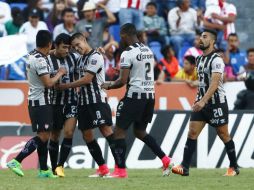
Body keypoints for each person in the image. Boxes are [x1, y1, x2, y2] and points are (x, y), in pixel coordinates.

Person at [101, 23, 172, 178]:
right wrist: (125, 72)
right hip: (149, 97)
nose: (121, 38)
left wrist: (108, 85)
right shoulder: (148, 50)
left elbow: (121, 81)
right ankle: (166, 160)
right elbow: (140, 71)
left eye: (121, 35)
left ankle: (120, 170)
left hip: (134, 97)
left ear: (125, 34)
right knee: (140, 132)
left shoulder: (127, 53)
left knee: (118, 132)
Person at [172, 29, 240, 176]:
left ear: (213, 41)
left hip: (216, 103)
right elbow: (203, 80)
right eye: (200, 37)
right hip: (201, 102)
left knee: (223, 134)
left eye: (204, 37)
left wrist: (203, 101)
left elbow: (215, 82)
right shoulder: (199, 59)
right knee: (192, 133)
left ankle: (234, 167)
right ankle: (185, 167)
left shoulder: (216, 59)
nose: (200, 39)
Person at [7, 30, 66, 178]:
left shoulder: (33, 54)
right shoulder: (40, 60)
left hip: (36, 101)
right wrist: (60, 73)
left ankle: (44, 170)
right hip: (41, 101)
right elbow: (48, 83)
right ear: (49, 43)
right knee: (43, 137)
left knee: (43, 135)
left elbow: (46, 55)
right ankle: (16, 160)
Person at [57, 32, 117, 177]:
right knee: (87, 135)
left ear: (84, 39)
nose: (76, 48)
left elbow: (87, 79)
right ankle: (102, 168)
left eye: (78, 44)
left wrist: (66, 86)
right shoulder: (80, 60)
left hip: (97, 100)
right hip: (83, 102)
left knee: (106, 131)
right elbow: (78, 77)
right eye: (74, 47)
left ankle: (121, 166)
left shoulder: (96, 56)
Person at [47, 33, 78, 177]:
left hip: (71, 99)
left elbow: (81, 72)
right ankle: (53, 167)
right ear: (56, 45)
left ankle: (60, 166)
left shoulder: (73, 58)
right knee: (54, 135)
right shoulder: (47, 60)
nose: (67, 50)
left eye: (69, 47)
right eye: (64, 47)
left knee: (69, 132)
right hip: (54, 103)